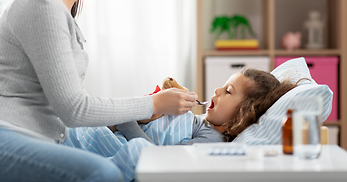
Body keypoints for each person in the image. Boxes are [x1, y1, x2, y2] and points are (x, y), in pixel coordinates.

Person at [0, 0, 197, 181]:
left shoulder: (59, 9)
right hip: (0, 132)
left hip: (31, 136)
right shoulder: (41, 3)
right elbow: (75, 110)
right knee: (102, 172)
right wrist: (154, 104)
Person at [116, 68, 299, 144]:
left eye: (228, 91)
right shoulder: (202, 122)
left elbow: (158, 158)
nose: (217, 90)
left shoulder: (211, 139)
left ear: (243, 114)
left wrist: (127, 119)